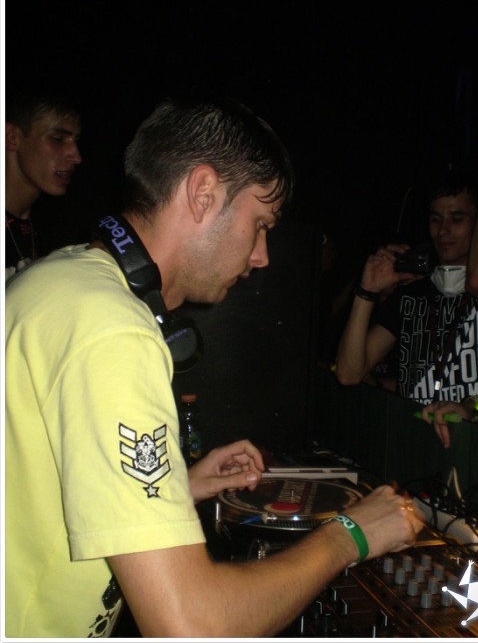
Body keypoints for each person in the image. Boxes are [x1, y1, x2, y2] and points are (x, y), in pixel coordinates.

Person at [5, 95, 423, 638]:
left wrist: (177, 485)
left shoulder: (67, 277)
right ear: (203, 192)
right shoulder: (111, 330)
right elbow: (191, 625)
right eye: (260, 223)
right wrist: (350, 534)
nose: (262, 256)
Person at [335, 116, 478, 450]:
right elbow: (349, 374)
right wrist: (366, 291)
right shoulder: (414, 295)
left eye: (457, 218)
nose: (443, 230)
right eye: (436, 219)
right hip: (414, 449)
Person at [4, 87, 82, 280]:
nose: (76, 156)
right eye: (58, 139)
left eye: (75, 141)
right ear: (12, 137)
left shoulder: (52, 227)